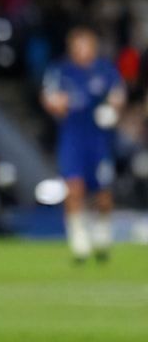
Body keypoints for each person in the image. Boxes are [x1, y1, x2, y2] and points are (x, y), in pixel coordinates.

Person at [41, 27, 126, 263]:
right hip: (72, 137)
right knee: (74, 187)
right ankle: (79, 243)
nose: (83, 51)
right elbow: (49, 97)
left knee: (103, 193)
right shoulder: (61, 71)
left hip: (99, 139)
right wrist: (56, 104)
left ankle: (102, 235)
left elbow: (118, 95)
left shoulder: (104, 70)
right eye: (78, 46)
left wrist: (112, 109)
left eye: (86, 45)